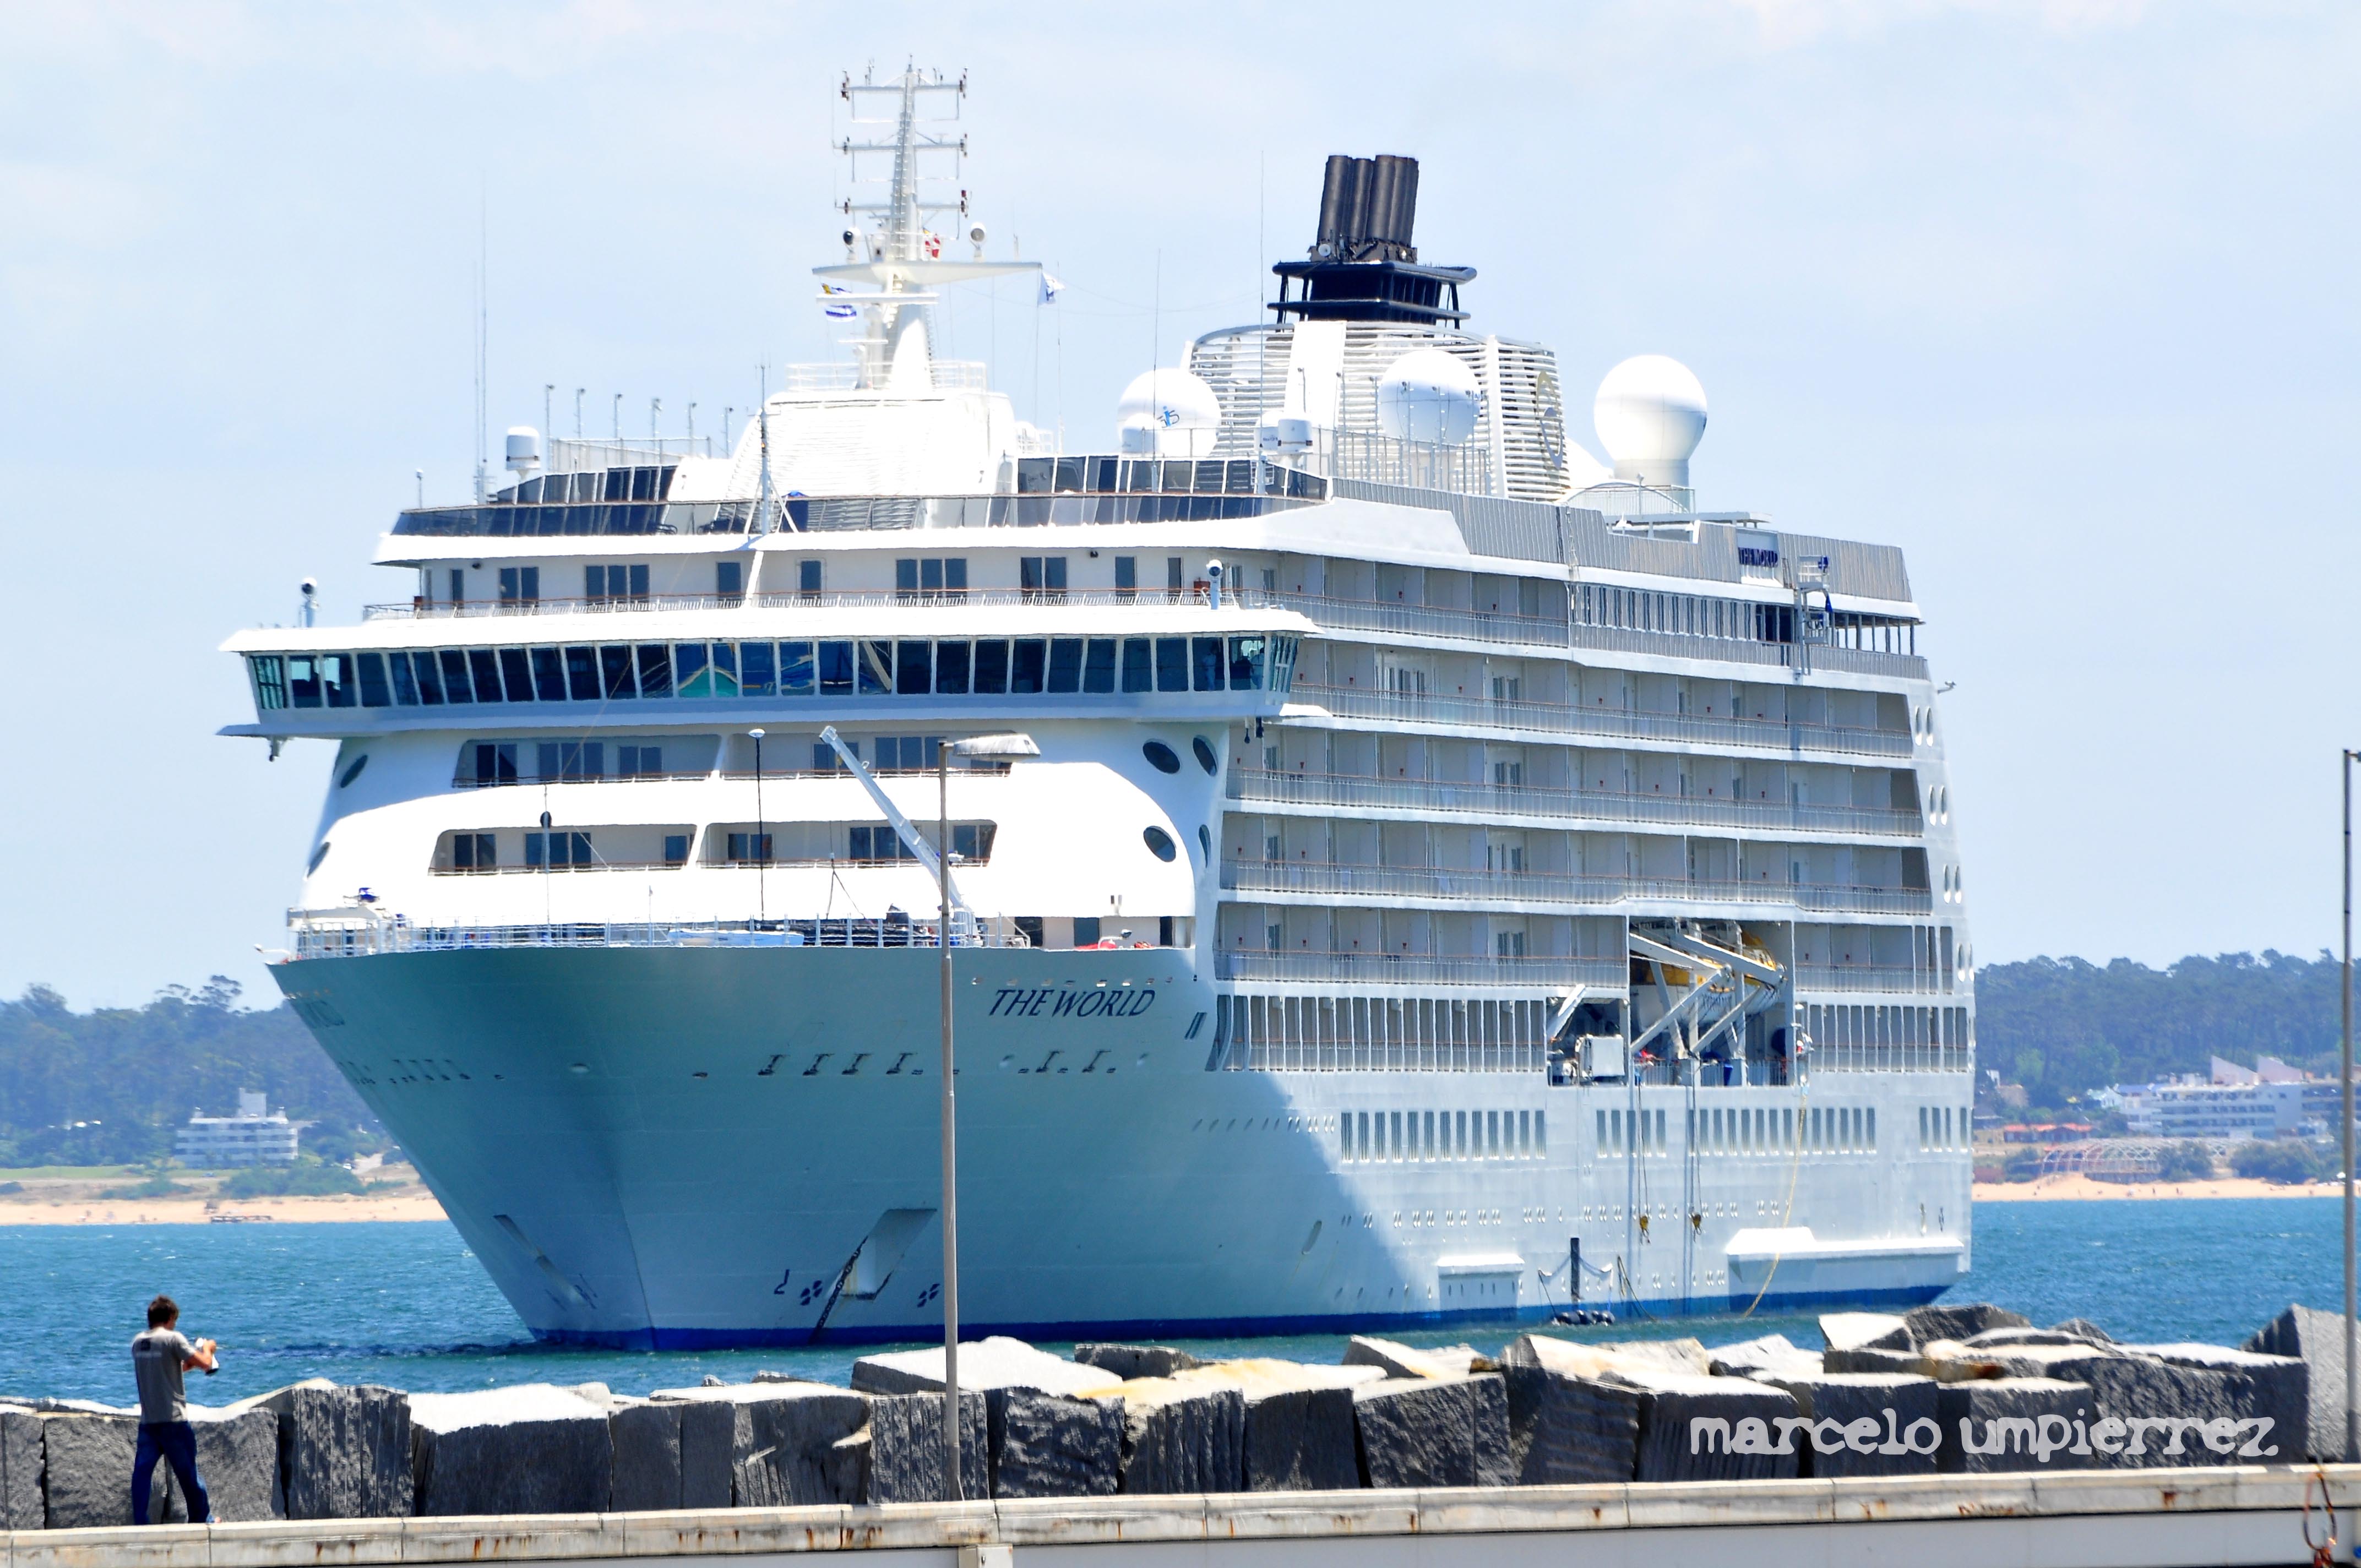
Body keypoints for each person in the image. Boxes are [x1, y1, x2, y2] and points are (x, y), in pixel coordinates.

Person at [130, 1294, 217, 1525]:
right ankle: (202, 1519)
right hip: (173, 1421)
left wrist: (185, 1367)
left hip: (149, 1422)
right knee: (188, 1474)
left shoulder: (138, 1342)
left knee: (142, 1474)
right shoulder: (173, 1339)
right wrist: (208, 1348)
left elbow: (165, 1368)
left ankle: (140, 1520)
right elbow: (206, 1364)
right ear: (170, 1318)